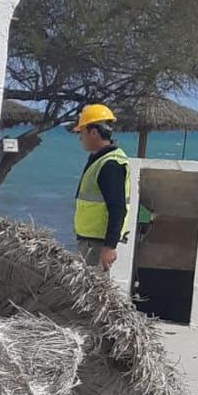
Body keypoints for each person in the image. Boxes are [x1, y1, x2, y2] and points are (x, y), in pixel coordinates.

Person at [72, 103, 133, 272]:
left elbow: (117, 208)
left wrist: (109, 246)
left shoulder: (110, 164)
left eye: (82, 132)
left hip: (97, 244)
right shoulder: (100, 160)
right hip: (91, 241)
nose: (80, 138)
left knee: (90, 294)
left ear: (94, 132)